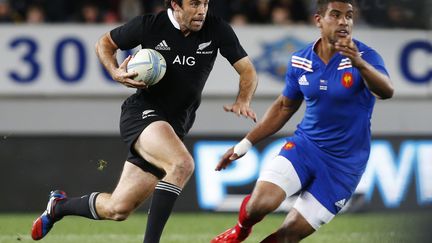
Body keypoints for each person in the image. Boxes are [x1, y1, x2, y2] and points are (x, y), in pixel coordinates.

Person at [31, 0, 258, 242]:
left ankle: (58, 207)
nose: (202, 10)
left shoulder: (217, 28)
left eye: (205, 3)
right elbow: (104, 44)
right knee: (181, 164)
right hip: (142, 112)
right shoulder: (150, 25)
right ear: (175, 5)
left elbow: (248, 71)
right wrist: (115, 71)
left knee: (118, 209)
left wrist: (243, 100)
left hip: (175, 125)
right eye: (194, 4)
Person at [211, 0, 393, 242]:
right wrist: (244, 144)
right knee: (259, 205)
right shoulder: (300, 60)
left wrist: (359, 64)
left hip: (344, 166)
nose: (344, 21)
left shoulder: (367, 56)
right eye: (336, 15)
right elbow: (285, 106)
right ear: (318, 19)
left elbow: (386, 91)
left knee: (288, 236)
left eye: (349, 16)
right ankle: (239, 231)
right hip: (306, 148)